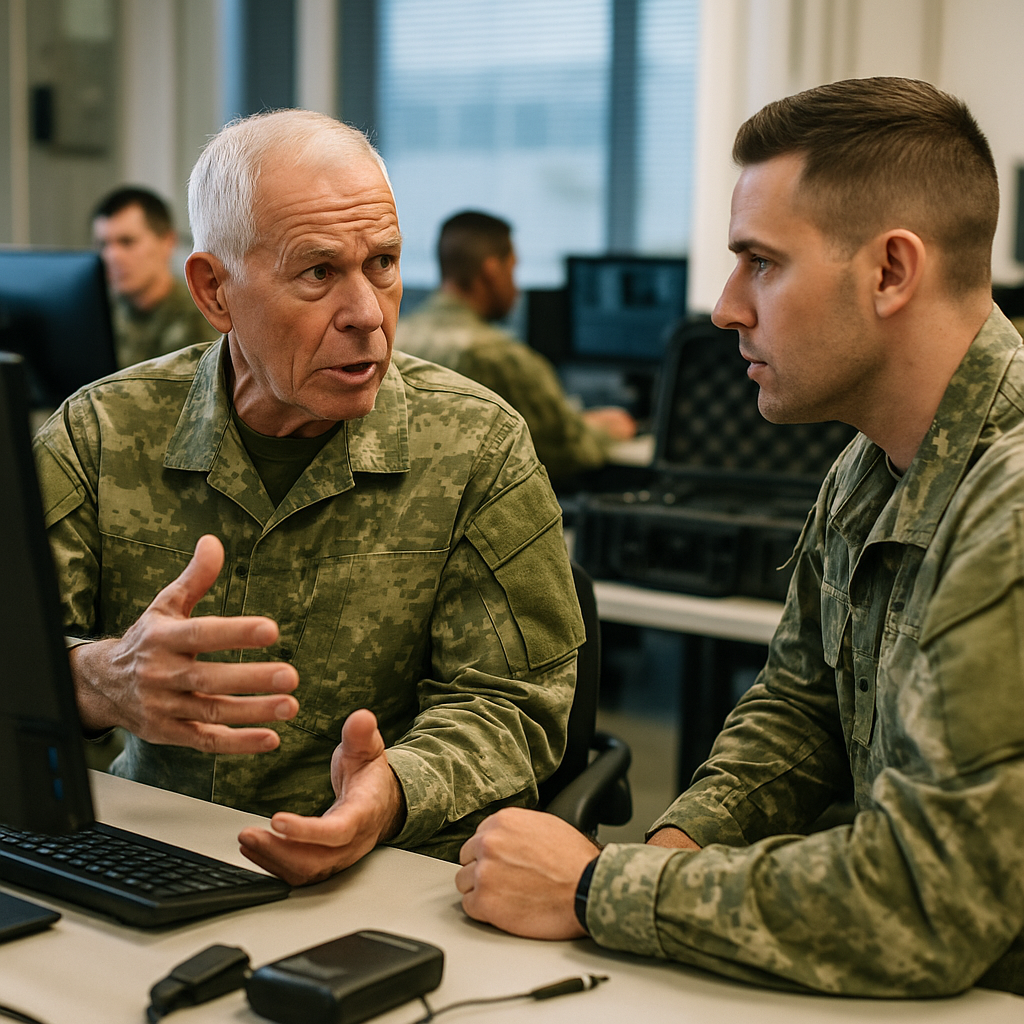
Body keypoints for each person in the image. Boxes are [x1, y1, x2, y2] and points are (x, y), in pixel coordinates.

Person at [455, 77, 1024, 998]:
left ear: (890, 271)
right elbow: (800, 714)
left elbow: (927, 907)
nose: (725, 307)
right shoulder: (870, 468)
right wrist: (680, 844)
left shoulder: (1012, 500)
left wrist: (604, 886)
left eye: (761, 261)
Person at [36, 110, 583, 887]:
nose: (367, 313)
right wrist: (100, 681)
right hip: (148, 848)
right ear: (214, 291)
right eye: (319, 272)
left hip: (387, 873)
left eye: (384, 263)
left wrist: (390, 792)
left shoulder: (475, 446)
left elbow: (516, 703)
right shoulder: (103, 432)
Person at [396, 211, 636, 481]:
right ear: (492, 271)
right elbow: (566, 451)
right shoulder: (498, 356)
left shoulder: (395, 340)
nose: (516, 287)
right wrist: (608, 430)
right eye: (513, 268)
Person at [92, 186, 220, 368]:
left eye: (127, 242)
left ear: (168, 242)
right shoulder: (97, 316)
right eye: (102, 244)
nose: (111, 256)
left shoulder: (205, 316)